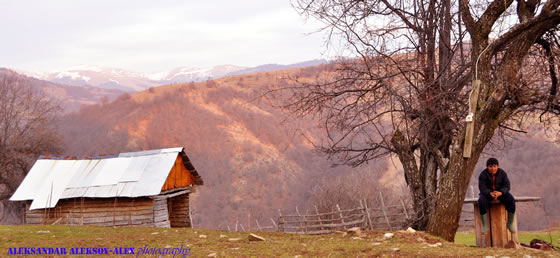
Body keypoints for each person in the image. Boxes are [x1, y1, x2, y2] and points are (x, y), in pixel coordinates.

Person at [478, 157, 516, 233]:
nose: (493, 168)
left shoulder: (502, 173)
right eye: (490, 166)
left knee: (511, 200)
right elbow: (482, 187)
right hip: (487, 194)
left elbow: (507, 185)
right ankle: (485, 226)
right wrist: (490, 193)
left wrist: (500, 192)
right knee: (481, 201)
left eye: (494, 166)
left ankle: (510, 224)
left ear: (498, 166)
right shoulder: (483, 174)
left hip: (501, 193)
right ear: (487, 167)